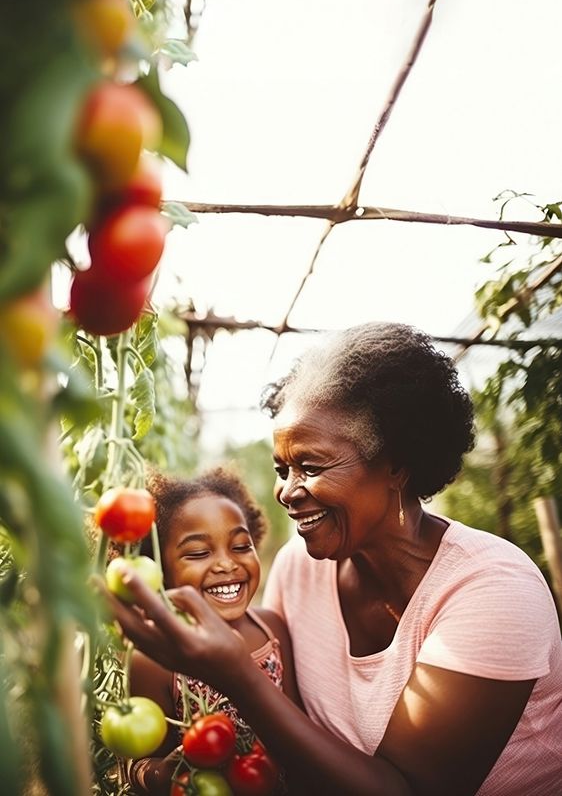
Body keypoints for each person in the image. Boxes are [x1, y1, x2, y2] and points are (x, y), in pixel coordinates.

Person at [105, 322, 562, 796]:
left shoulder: (494, 591)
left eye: (310, 467)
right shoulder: (299, 568)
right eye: (282, 469)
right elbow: (284, 721)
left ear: (397, 466)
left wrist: (237, 675)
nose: (286, 491)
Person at [113, 467, 301, 795]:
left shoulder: (272, 629)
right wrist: (165, 775)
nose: (227, 564)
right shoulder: (154, 660)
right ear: (157, 571)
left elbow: (299, 728)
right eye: (199, 553)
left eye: (241, 546)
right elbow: (136, 765)